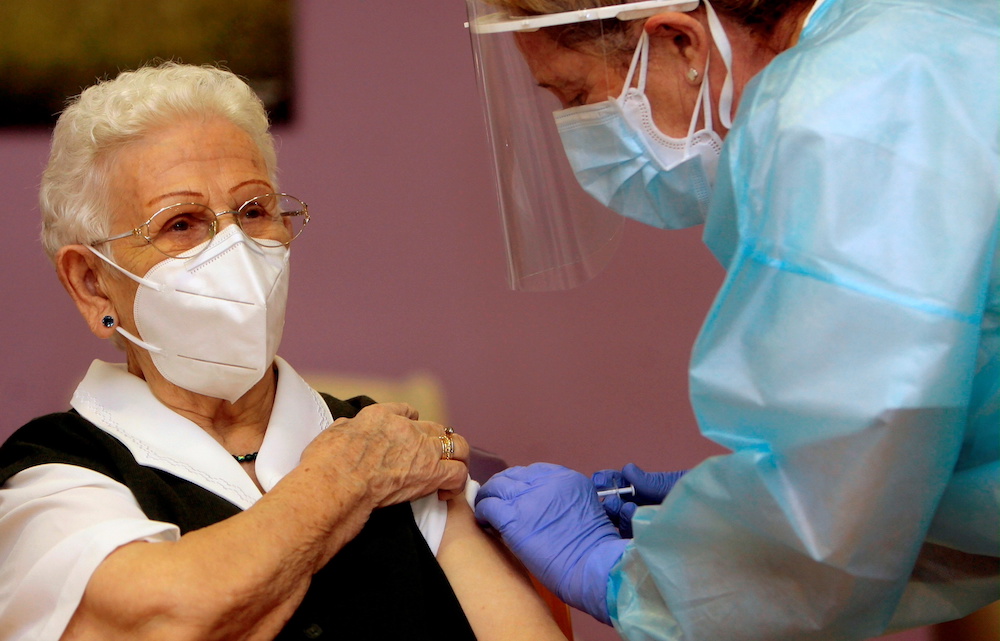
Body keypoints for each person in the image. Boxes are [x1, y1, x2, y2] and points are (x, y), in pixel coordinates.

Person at [463, 0, 999, 639]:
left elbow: (835, 523)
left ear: (681, 43)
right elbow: (909, 457)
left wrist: (634, 579)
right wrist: (736, 514)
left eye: (578, 95)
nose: (579, 129)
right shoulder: (929, 36)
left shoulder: (841, 119)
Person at [0, 62, 568, 641]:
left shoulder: (387, 440)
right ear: (92, 283)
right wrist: (343, 480)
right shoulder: (51, 475)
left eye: (253, 211)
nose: (234, 250)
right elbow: (166, 620)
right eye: (181, 223)